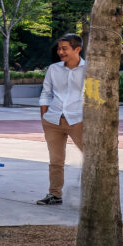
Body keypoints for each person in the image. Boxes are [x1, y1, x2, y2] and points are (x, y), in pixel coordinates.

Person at [36, 34, 87, 206]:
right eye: (59, 48)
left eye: (64, 48)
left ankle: (90, 194)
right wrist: (44, 115)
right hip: (53, 120)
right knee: (55, 160)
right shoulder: (54, 69)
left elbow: (94, 97)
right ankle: (54, 194)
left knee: (92, 158)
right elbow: (46, 92)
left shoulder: (90, 70)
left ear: (77, 49)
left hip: (79, 120)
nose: (60, 52)